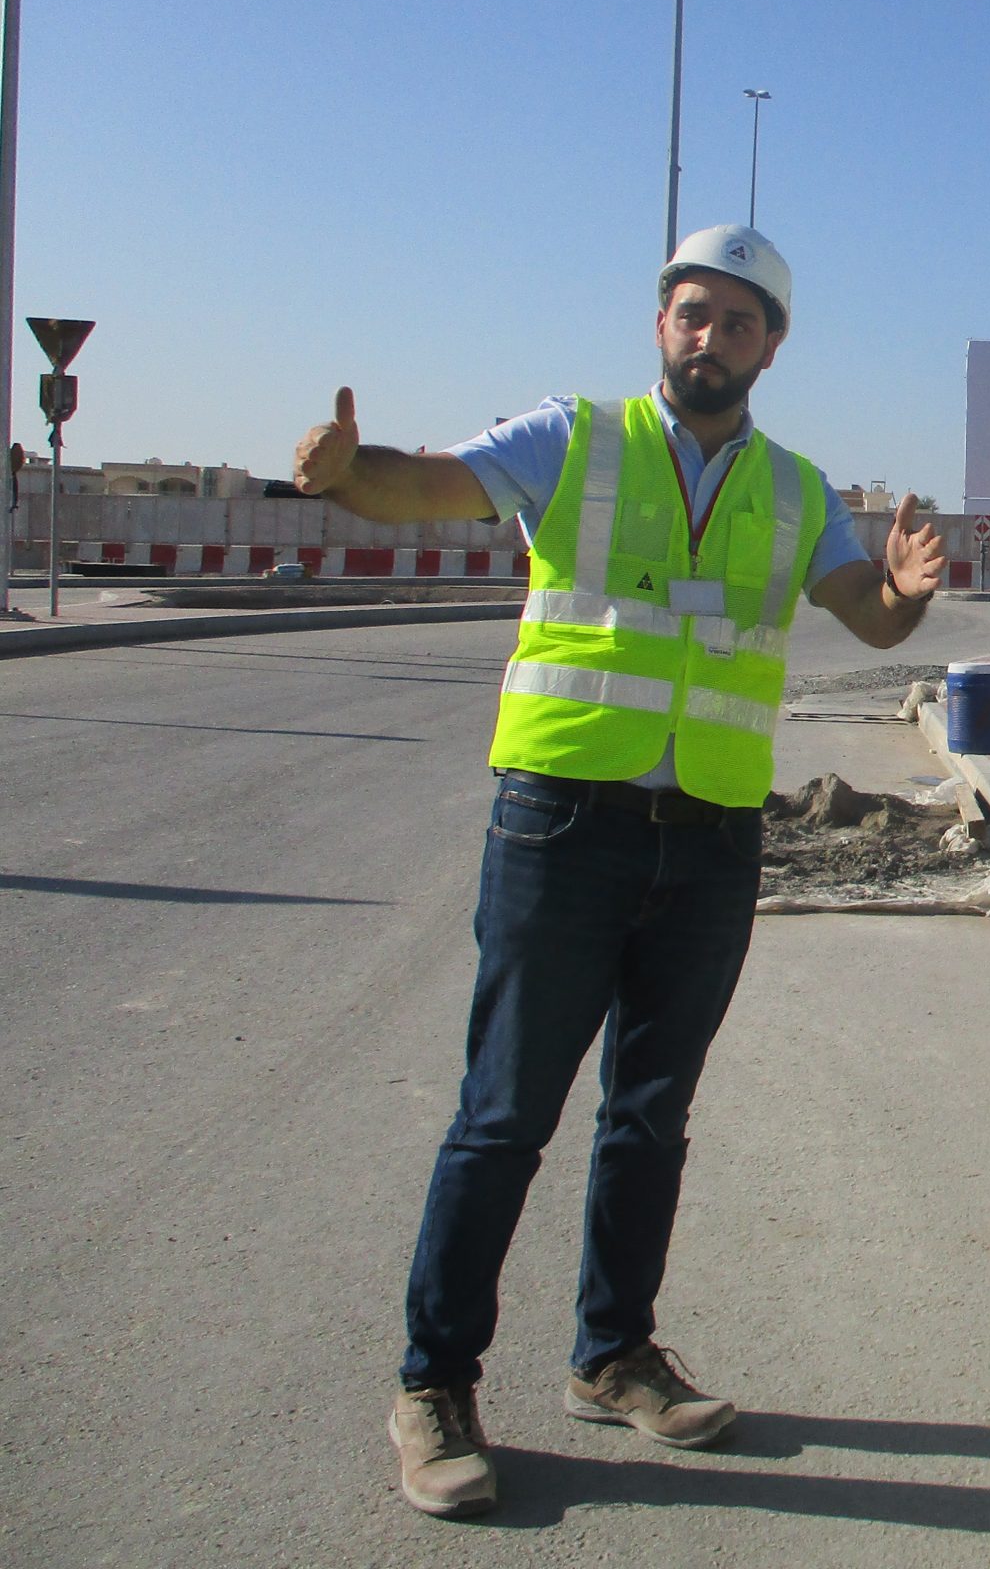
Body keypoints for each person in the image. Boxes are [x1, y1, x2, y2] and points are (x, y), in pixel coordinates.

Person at [292, 225, 946, 1520]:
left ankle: (613, 1355)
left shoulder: (799, 491)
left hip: (708, 842)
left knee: (649, 1117)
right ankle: (433, 1385)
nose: (711, 338)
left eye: (737, 322)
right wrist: (346, 473)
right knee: (504, 1117)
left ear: (773, 344)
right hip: (561, 831)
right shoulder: (572, 441)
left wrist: (910, 598)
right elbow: (421, 488)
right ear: (662, 326)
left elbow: (866, 615)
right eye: (691, 315)